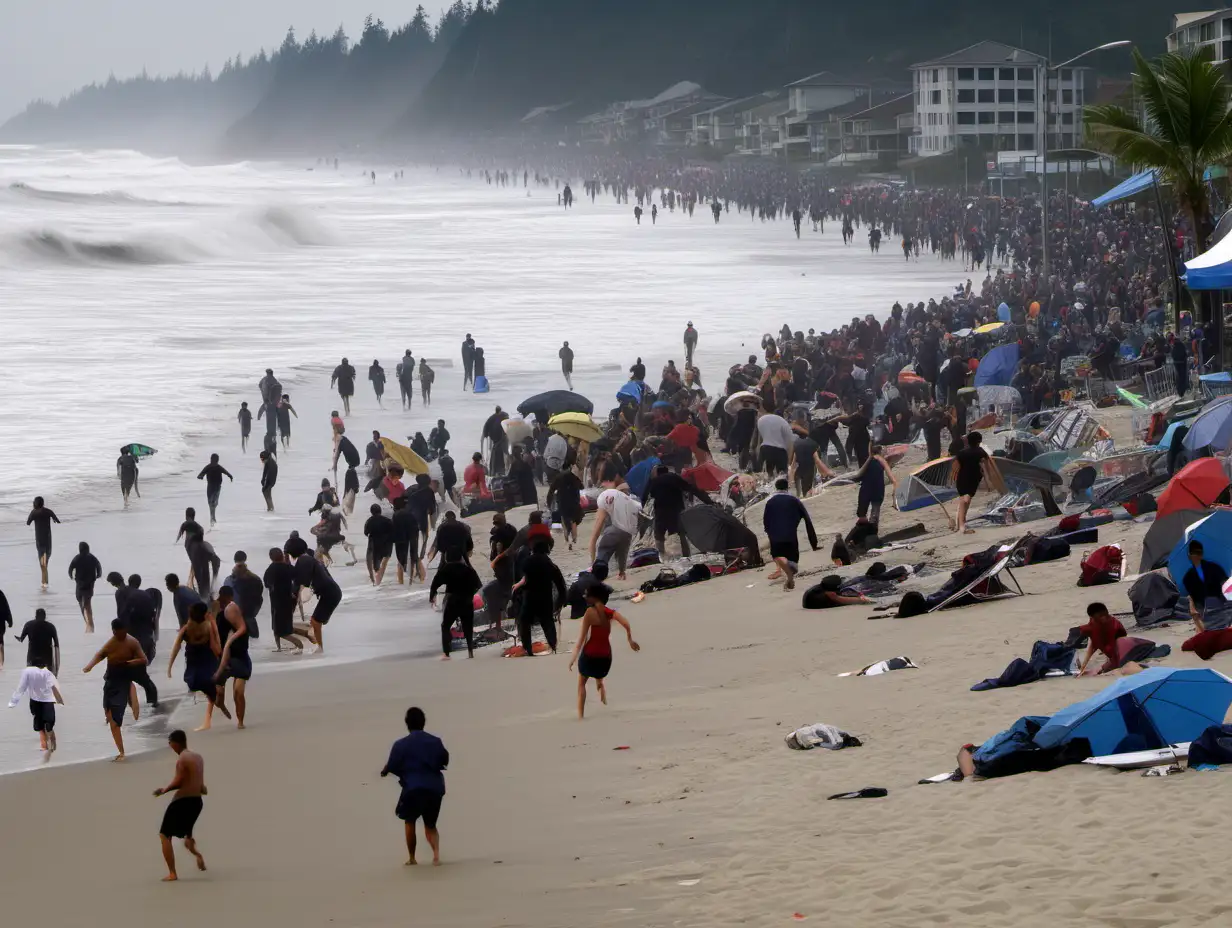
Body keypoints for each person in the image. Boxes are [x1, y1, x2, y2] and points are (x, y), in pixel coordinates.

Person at [380, 707, 449, 866]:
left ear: (407, 724)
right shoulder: (435, 741)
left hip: (413, 788)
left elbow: (391, 765)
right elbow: (444, 760)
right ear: (423, 722)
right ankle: (436, 855)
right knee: (430, 825)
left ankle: (412, 858)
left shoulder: (400, 745)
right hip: (434, 788)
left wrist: (384, 771)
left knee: (409, 821)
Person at [568, 583, 639, 719]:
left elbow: (582, 639)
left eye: (587, 596)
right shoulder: (609, 612)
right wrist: (630, 639)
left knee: (582, 682)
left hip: (590, 657)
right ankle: (601, 687)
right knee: (600, 660)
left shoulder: (589, 613)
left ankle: (580, 716)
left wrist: (573, 658)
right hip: (605, 660)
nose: (585, 598)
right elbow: (625, 623)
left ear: (594, 598)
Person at [83, 619, 148, 761]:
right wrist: (90, 666)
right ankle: (121, 751)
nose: (120, 636)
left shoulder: (132, 642)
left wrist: (128, 663)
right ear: (113, 631)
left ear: (126, 630)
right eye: (117, 633)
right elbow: (99, 655)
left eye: (123, 633)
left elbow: (144, 659)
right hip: (110, 681)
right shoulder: (111, 643)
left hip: (124, 679)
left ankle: (131, 693)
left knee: (115, 720)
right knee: (109, 716)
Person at [153, 730, 208, 881]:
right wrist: (201, 788)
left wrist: (163, 790)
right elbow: (201, 785)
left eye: (170, 743)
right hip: (197, 802)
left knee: (164, 835)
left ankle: (172, 873)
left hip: (182, 802)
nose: (170, 746)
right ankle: (198, 856)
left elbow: (179, 782)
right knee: (187, 836)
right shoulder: (198, 757)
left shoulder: (182, 759)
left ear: (175, 743)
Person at [166, 601, 226, 730]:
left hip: (208, 659)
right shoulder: (187, 628)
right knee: (192, 682)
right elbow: (176, 646)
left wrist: (214, 626)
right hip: (193, 660)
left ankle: (208, 719)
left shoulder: (209, 626)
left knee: (208, 683)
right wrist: (169, 666)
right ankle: (217, 697)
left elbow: (217, 648)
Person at [511, 540, 567, 655]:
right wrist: (561, 600)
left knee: (525, 622)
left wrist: (518, 590)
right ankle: (553, 646)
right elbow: (560, 584)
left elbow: (526, 579)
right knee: (547, 622)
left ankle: (528, 648)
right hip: (545, 598)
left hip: (530, 598)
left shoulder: (528, 561)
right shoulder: (550, 564)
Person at [762, 477, 819, 591]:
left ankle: (787, 573)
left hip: (775, 537)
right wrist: (814, 542)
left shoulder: (770, 502)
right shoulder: (795, 500)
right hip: (791, 536)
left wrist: (769, 533)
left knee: (777, 555)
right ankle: (789, 573)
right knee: (793, 562)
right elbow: (807, 519)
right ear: (787, 487)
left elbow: (766, 520)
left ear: (776, 488)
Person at [644, 465, 711, 557]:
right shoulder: (674, 477)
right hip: (675, 510)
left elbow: (650, 495)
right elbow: (690, 488)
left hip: (661, 511)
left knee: (659, 534)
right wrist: (708, 501)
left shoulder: (655, 481)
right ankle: (686, 554)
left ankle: (661, 555)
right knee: (682, 533)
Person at [429, 548, 481, 659]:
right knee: (468, 627)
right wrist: (470, 593)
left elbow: (435, 583)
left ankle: (446, 654)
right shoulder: (469, 570)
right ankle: (470, 652)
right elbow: (478, 585)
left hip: (453, 601)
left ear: (447, 558)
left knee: (445, 626)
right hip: (467, 601)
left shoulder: (446, 569)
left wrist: (432, 596)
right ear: (461, 558)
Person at [8, 656, 63, 759]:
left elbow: (21, 687)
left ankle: (47, 745)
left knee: (43, 724)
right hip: (41, 701)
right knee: (45, 724)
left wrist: (13, 702)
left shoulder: (34, 672)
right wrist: (60, 701)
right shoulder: (41, 672)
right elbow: (54, 688)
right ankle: (48, 745)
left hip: (41, 701)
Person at [292, 540, 342, 653]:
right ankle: (317, 641)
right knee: (317, 621)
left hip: (330, 594)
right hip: (333, 592)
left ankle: (320, 648)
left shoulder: (305, 560)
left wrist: (296, 595)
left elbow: (304, 581)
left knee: (315, 621)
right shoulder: (312, 560)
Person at [589, 477, 641, 580]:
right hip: (626, 534)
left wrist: (592, 561)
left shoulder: (607, 499)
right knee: (621, 554)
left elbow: (595, 534)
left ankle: (597, 575)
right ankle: (617, 573)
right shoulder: (632, 504)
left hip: (611, 532)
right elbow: (623, 553)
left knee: (603, 553)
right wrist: (622, 571)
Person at [212, 586, 250, 728]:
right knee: (218, 696)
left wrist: (229, 642)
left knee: (238, 692)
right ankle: (221, 705)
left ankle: (240, 722)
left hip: (239, 657)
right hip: (221, 658)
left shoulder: (233, 611)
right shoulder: (218, 614)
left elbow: (243, 629)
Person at [949, 431, 999, 534]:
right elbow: (988, 466)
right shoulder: (981, 452)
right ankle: (962, 527)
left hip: (962, 479)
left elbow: (954, 468)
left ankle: (960, 525)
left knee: (964, 501)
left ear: (968, 441)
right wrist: (989, 482)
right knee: (965, 500)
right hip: (973, 480)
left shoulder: (962, 453)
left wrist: (952, 480)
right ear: (980, 441)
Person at [1182, 540, 1231, 633]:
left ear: (1202, 554)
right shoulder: (1188, 577)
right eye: (1193, 553)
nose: (1196, 556)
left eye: (1198, 553)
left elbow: (1226, 586)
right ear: (1189, 555)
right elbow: (1192, 596)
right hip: (1203, 612)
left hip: (1220, 608)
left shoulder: (1215, 568)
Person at [263, 548, 305, 651]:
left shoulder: (270, 569)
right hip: (287, 601)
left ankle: (297, 645)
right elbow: (297, 576)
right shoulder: (287, 567)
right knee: (285, 626)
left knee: (276, 627)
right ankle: (283, 647)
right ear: (282, 555)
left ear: (271, 558)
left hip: (276, 602)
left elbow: (267, 584)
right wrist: (293, 592)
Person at [1075, 602, 1131, 675]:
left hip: (1119, 652)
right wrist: (1083, 667)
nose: (1103, 619)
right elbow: (1093, 645)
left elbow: (1117, 653)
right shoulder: (1093, 622)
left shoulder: (1114, 626)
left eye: (1103, 616)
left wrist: (1102, 668)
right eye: (1100, 617)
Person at [853, 444, 899, 525]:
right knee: (875, 515)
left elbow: (858, 475)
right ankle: (872, 533)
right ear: (881, 450)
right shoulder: (882, 461)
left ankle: (863, 532)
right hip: (878, 489)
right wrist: (894, 499)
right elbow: (893, 480)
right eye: (885, 449)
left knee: (862, 515)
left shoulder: (868, 460)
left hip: (865, 488)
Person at [26, 497, 60, 591]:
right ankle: (44, 581)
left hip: (40, 541)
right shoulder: (48, 511)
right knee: (45, 562)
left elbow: (28, 523)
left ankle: (44, 583)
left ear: (35, 504)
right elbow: (57, 520)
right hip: (48, 540)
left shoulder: (34, 512)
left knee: (43, 563)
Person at [546, 467, 585, 548]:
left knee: (564, 520)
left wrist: (549, 503)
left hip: (563, 502)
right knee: (574, 521)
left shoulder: (558, 478)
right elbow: (582, 487)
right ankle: (574, 540)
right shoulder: (574, 477)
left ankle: (567, 540)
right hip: (574, 502)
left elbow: (551, 490)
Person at [68, 541, 102, 632]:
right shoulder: (92, 558)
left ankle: (89, 624)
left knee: (81, 602)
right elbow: (98, 566)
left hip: (80, 584)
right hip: (90, 584)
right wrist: (99, 574)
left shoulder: (77, 558)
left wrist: (71, 576)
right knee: (87, 603)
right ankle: (90, 623)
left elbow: (70, 568)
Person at [391, 497, 424, 586]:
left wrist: (393, 540)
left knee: (401, 561)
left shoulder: (396, 515)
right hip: (412, 538)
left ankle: (401, 582)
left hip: (400, 540)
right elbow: (416, 527)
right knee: (414, 558)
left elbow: (394, 528)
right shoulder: (410, 514)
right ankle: (418, 579)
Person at [16, 608, 59, 676]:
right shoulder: (51, 627)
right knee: (47, 682)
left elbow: (21, 639)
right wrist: (56, 670)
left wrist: (18, 638)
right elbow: (56, 647)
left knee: (32, 680)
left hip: (32, 658)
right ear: (45, 616)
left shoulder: (28, 624)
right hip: (47, 659)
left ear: (35, 616)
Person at [196, 454, 233, 527]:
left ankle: (212, 516)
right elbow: (200, 474)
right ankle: (212, 517)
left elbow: (227, 473)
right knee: (212, 502)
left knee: (213, 503)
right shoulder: (211, 467)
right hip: (212, 487)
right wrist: (201, 476)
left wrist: (230, 476)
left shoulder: (214, 467)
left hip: (215, 487)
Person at [364, 503, 395, 586]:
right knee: (384, 561)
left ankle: (376, 581)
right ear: (380, 511)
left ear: (371, 512)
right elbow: (393, 531)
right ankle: (379, 580)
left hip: (375, 544)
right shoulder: (387, 520)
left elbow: (366, 533)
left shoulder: (369, 521)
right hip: (386, 544)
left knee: (376, 563)